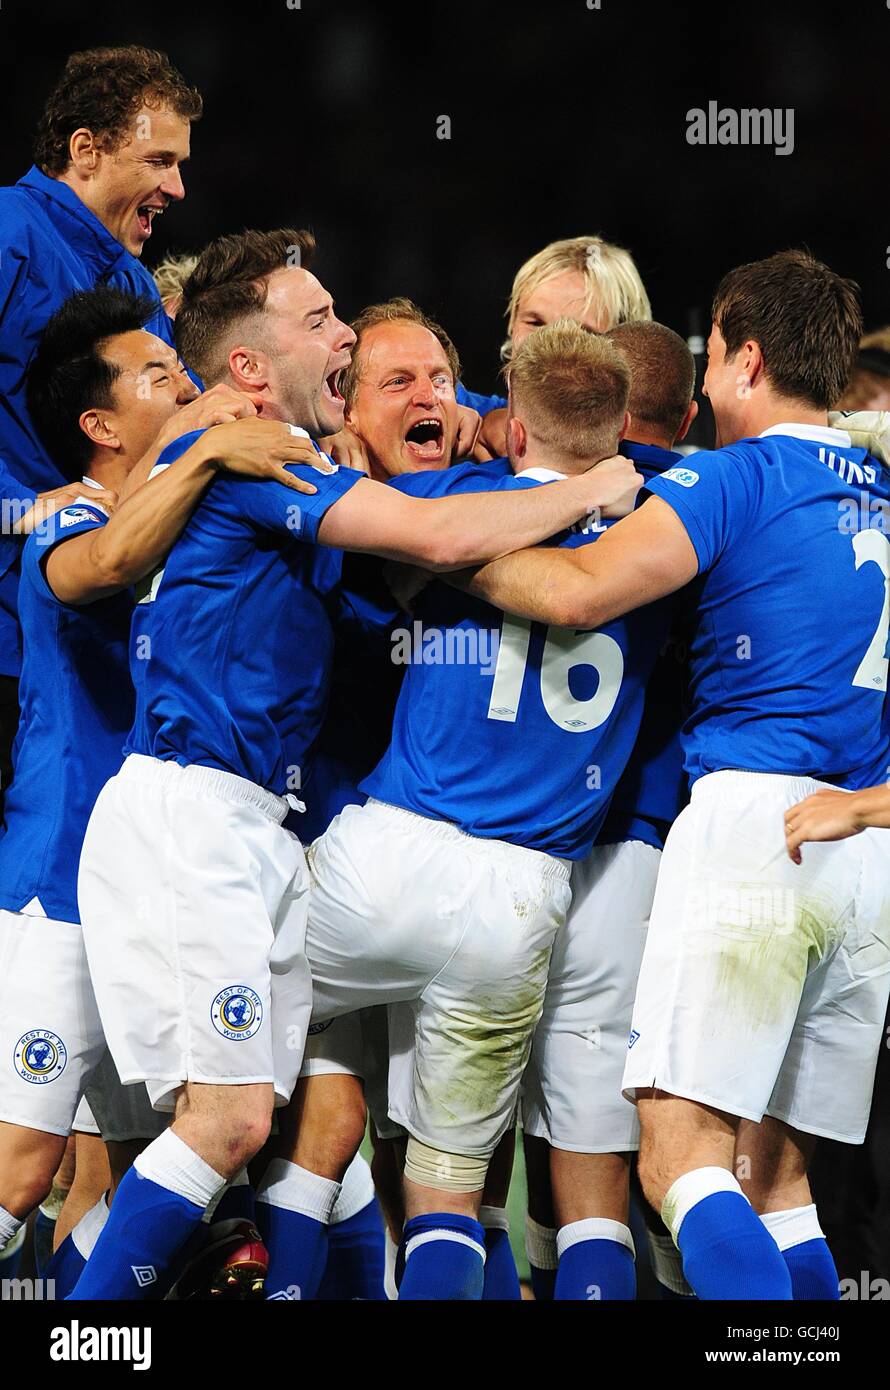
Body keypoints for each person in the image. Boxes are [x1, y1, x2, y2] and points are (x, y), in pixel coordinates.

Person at [68, 229, 636, 1300]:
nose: (342, 331)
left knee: (302, 1124)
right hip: (207, 823)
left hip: (274, 839)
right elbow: (436, 544)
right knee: (233, 1126)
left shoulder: (288, 462)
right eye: (325, 322)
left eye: (437, 371)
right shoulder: (272, 460)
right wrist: (592, 483)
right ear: (248, 363)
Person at [451, 249, 890, 1300]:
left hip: (753, 827)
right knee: (778, 1182)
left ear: (743, 357)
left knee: (676, 1159)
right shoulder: (879, 487)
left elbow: (577, 593)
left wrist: (448, 549)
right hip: (863, 845)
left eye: (710, 358)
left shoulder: (733, 477)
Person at [0, 284, 321, 1284]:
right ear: (100, 424)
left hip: (158, 879)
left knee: (186, 1170)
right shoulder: (76, 518)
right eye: (154, 377)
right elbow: (109, 560)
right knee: (19, 1172)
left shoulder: (210, 522)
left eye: (181, 369)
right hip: (61, 879)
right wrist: (209, 449)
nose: (183, 385)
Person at [520, 320, 699, 1300]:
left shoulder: (504, 498)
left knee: (459, 1169)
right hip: (652, 848)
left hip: (512, 845)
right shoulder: (718, 500)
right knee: (629, 1167)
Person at [0, 44, 202, 809]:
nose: (177, 187)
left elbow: (178, 420)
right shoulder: (8, 230)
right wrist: (20, 508)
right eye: (159, 160)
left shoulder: (132, 283)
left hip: (76, 631)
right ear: (85, 150)